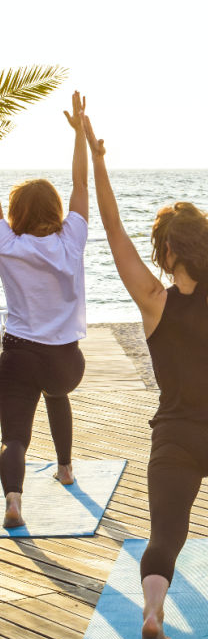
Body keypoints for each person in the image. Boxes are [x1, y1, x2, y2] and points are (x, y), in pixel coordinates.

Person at [83, 103, 208, 639]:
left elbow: (113, 227)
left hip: (171, 439)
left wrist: (98, 161)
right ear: (205, 247)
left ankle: (151, 611)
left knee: (165, 533)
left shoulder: (151, 301)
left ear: (166, 253)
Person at [0, 92, 89, 529]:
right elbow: (81, 186)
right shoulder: (71, 240)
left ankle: (13, 500)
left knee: (13, 434)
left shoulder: (7, 244)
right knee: (57, 393)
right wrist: (80, 135)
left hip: (17, 355)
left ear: (15, 213)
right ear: (55, 211)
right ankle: (66, 467)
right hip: (64, 361)